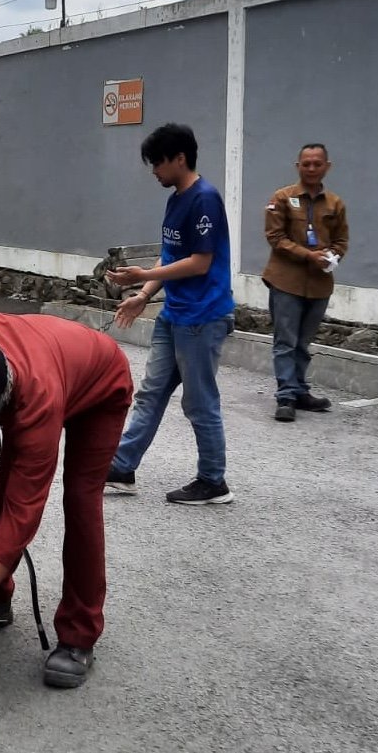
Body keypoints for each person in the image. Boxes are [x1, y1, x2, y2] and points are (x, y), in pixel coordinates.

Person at [0, 313, 133, 688]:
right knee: (2, 488)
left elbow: (24, 512)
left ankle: (79, 635)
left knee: (80, 502)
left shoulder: (37, 402)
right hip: (48, 365)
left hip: (100, 385)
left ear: (3, 397)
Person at [104, 122, 236, 506]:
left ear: (180, 158)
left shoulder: (204, 199)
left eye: (158, 163)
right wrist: (144, 294)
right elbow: (172, 253)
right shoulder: (177, 196)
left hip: (202, 316)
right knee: (150, 392)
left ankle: (213, 481)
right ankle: (123, 467)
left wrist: (146, 274)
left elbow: (199, 262)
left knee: (199, 402)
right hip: (174, 315)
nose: (154, 171)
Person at [262, 143, 349, 422]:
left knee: (303, 342)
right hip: (286, 281)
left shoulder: (335, 203)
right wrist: (309, 256)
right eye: (306, 163)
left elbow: (341, 241)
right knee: (285, 341)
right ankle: (286, 396)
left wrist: (332, 256)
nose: (311, 168)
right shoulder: (282, 197)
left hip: (319, 284)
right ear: (297, 166)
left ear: (327, 166)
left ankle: (299, 391)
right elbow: (275, 238)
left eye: (317, 163)